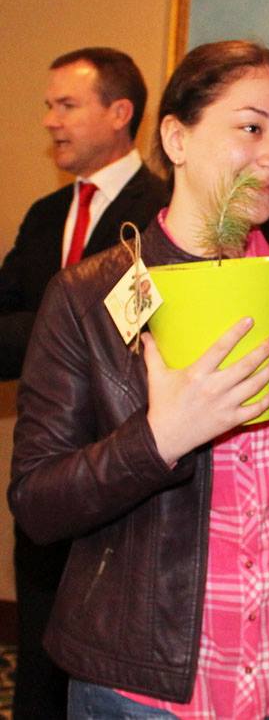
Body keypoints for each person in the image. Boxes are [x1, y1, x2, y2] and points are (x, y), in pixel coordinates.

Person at [8, 40, 269, 718]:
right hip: (145, 688)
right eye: (251, 127)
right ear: (176, 138)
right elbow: (38, 501)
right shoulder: (90, 296)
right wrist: (159, 438)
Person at [0, 46, 167, 718]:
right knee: (40, 665)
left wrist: (52, 325)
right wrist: (66, 324)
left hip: (127, 477)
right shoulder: (46, 213)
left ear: (119, 113)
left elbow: (135, 331)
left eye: (66, 105)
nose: (50, 120)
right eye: (49, 106)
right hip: (46, 471)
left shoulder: (162, 211)